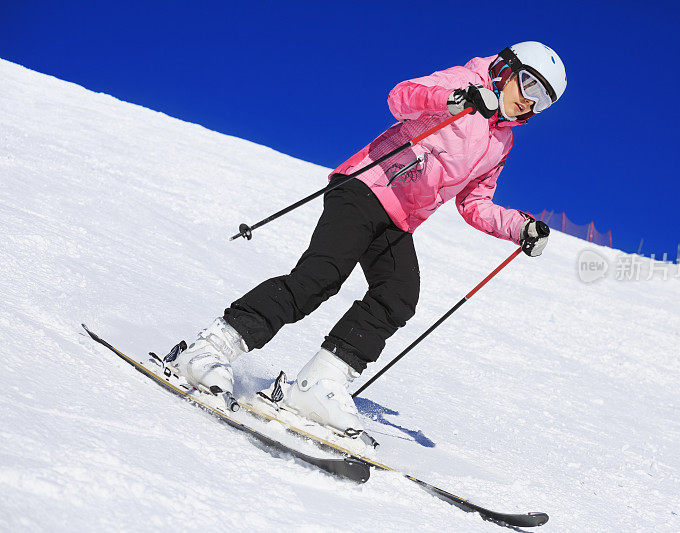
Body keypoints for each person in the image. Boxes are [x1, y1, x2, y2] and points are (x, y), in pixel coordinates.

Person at [174, 41, 567, 439]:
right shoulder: (465, 81)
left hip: (400, 220)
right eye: (529, 86)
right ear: (504, 69)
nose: (529, 103)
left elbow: (475, 203)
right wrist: (455, 99)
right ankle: (212, 347)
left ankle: (319, 383)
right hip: (365, 188)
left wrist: (519, 227)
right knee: (321, 277)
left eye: (543, 102)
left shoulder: (502, 142)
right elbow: (401, 97)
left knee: (398, 296)